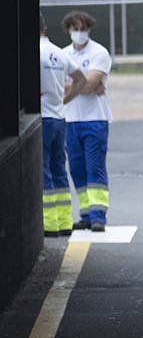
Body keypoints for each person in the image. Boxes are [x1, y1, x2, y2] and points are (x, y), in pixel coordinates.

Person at [61, 11, 113, 232]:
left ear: (89, 30)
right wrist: (88, 84)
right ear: (68, 30)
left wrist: (78, 84)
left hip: (95, 119)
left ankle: (98, 215)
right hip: (70, 119)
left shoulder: (99, 52)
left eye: (83, 29)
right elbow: (58, 87)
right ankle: (85, 214)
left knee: (95, 167)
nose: (79, 33)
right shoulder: (63, 54)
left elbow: (92, 84)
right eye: (75, 29)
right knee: (77, 169)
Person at [38, 12, 86, 237]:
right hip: (59, 118)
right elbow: (81, 79)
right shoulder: (58, 53)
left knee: (43, 169)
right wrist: (64, 100)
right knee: (59, 170)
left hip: (44, 119)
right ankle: (65, 222)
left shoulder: (34, 53)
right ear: (45, 28)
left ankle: (49, 224)